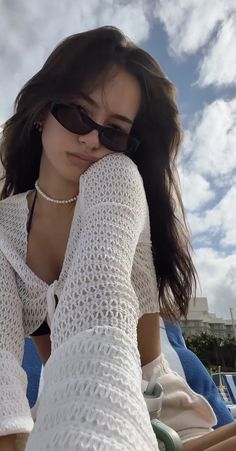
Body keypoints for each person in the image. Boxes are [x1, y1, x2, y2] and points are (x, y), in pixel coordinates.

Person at [0, 26, 235, 451]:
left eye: (114, 132)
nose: (92, 139)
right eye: (77, 114)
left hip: (155, 403)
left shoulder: (116, 179)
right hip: (64, 401)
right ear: (41, 111)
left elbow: (99, 295)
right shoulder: (5, 228)